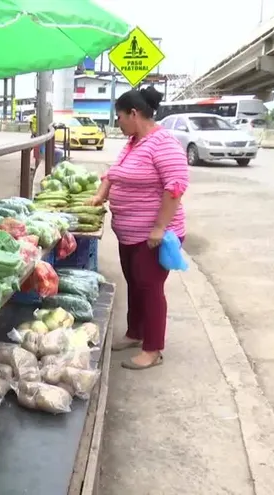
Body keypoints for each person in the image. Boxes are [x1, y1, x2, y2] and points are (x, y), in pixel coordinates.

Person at [87, 86, 189, 370]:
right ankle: (135, 333)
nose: (117, 123)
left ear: (134, 114)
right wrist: (100, 194)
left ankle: (153, 349)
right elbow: (113, 173)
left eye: (119, 117)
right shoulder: (133, 142)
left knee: (151, 288)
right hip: (130, 234)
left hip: (152, 236)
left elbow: (175, 188)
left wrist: (158, 228)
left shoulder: (163, 143)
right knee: (135, 284)